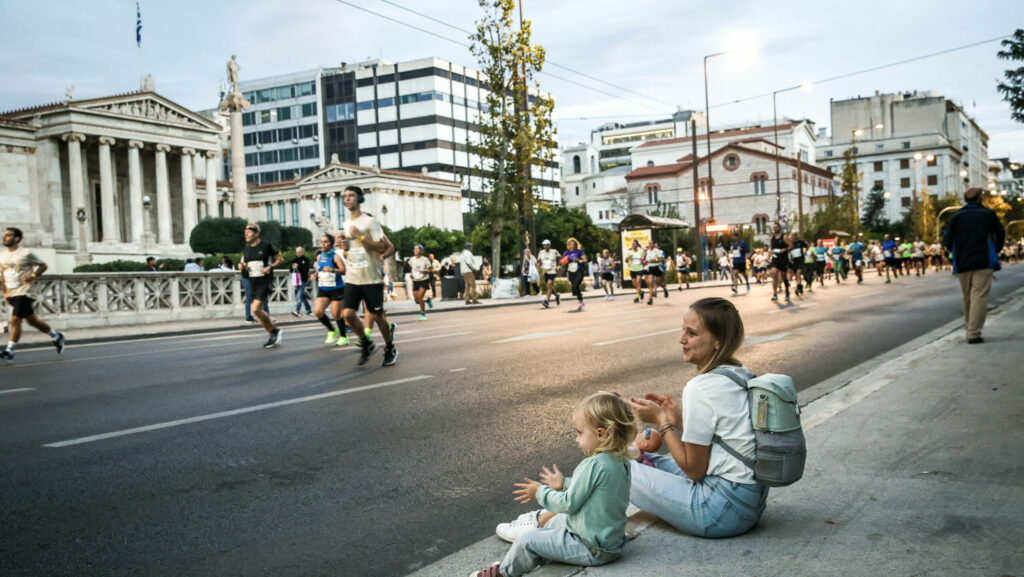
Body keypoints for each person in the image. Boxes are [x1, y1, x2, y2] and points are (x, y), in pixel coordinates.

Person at [627, 297, 768, 539]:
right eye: (683, 330)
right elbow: (725, 433)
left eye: (691, 333)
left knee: (615, 468)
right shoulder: (741, 374)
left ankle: (568, 518)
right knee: (643, 459)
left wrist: (662, 420)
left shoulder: (701, 387)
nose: (682, 340)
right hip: (750, 503)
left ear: (717, 342)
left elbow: (694, 470)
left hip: (720, 512)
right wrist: (679, 419)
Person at [473, 392, 636, 577]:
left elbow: (568, 504)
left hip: (591, 548)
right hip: (610, 543)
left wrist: (540, 492)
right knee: (555, 520)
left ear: (600, 434)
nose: (576, 439)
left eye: (580, 433)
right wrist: (564, 483)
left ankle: (503, 572)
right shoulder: (620, 461)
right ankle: (536, 552)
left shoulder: (593, 464)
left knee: (528, 540)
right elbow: (595, 491)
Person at [340, 185, 398, 366]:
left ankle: (390, 347)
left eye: (351, 195)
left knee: (378, 315)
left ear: (359, 199)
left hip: (371, 278)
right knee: (347, 314)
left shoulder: (370, 222)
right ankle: (367, 343)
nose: (347, 199)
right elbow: (352, 251)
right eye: (345, 196)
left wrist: (362, 237)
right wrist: (345, 248)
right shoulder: (346, 224)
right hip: (353, 277)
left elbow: (382, 247)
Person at [943, 187, 1006, 344]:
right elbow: (1000, 234)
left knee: (967, 295)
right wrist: (995, 250)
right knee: (979, 295)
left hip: (962, 262)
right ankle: (973, 332)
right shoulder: (988, 214)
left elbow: (947, 240)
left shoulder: (956, 217)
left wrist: (956, 253)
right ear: (980, 199)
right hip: (983, 260)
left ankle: (969, 327)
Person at [0, 227, 66, 362]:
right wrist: (5, 293)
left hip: (24, 292)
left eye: (8, 235)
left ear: (17, 238)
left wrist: (33, 275)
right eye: (4, 235)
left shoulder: (26, 253)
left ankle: (9, 351)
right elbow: (2, 276)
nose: (4, 237)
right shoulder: (2, 255)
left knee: (15, 320)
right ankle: (56, 336)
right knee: (32, 320)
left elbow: (43, 265)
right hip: (12, 292)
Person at [239, 223, 283, 348]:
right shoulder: (246, 248)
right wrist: (241, 266)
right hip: (252, 282)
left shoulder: (266, 246)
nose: (246, 234)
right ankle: (273, 332)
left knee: (256, 309)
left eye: (249, 232)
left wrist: (270, 267)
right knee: (258, 312)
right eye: (245, 232)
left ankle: (274, 331)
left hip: (265, 281)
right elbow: (244, 262)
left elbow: (280, 259)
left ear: (257, 233)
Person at [312, 233, 348, 347]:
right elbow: (320, 269)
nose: (323, 244)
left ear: (331, 244)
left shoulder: (335, 256)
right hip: (323, 288)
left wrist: (333, 270)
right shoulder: (319, 257)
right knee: (318, 311)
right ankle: (332, 330)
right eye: (321, 242)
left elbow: (344, 270)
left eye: (325, 242)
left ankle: (343, 337)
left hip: (336, 288)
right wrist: (315, 274)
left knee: (336, 314)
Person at [408, 244, 434, 321]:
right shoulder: (411, 259)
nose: (415, 250)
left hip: (424, 280)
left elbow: (431, 270)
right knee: (416, 301)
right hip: (415, 281)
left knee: (419, 297)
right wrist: (411, 275)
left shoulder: (425, 259)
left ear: (421, 251)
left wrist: (424, 271)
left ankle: (423, 314)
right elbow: (412, 269)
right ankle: (427, 300)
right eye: (414, 249)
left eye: (417, 249)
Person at [563, 237, 588, 311]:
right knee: (575, 287)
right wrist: (566, 259)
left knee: (576, 285)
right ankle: (581, 301)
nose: (572, 246)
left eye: (573, 244)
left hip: (579, 270)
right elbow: (563, 262)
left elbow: (585, 260)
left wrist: (579, 260)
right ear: (568, 245)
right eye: (570, 244)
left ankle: (580, 301)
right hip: (570, 271)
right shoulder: (566, 252)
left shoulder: (579, 251)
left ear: (576, 245)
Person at [768, 223, 791, 302]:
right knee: (774, 274)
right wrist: (770, 252)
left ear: (780, 228)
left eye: (776, 227)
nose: (775, 228)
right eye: (774, 227)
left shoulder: (784, 237)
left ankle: (787, 291)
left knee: (783, 276)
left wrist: (784, 250)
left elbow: (791, 245)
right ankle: (775, 294)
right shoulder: (772, 238)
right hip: (775, 258)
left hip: (783, 258)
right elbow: (771, 248)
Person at [537, 239, 561, 309]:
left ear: (549, 245)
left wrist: (558, 266)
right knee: (549, 287)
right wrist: (538, 264)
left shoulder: (554, 251)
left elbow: (560, 258)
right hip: (545, 271)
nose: (545, 246)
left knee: (549, 284)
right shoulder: (541, 252)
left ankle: (546, 301)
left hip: (553, 270)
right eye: (544, 245)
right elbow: (539, 261)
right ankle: (557, 296)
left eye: (546, 245)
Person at [290, 246, 312, 317]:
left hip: (303, 279)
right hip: (296, 279)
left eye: (299, 252)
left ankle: (297, 310)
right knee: (302, 295)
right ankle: (309, 309)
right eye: (297, 252)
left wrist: (298, 266)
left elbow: (306, 269)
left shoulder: (306, 259)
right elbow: (290, 270)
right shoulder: (294, 260)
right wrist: (292, 267)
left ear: (302, 252)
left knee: (299, 295)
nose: (298, 253)